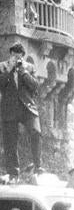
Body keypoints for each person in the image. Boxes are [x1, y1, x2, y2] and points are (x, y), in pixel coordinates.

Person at [0, 43, 41, 180]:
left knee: (36, 131)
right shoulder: (2, 66)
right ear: (10, 54)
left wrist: (23, 71)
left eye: (19, 55)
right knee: (10, 140)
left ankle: (38, 165)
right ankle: (13, 172)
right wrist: (9, 69)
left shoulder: (29, 68)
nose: (16, 57)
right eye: (13, 54)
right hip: (10, 107)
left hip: (27, 106)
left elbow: (35, 87)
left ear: (23, 56)